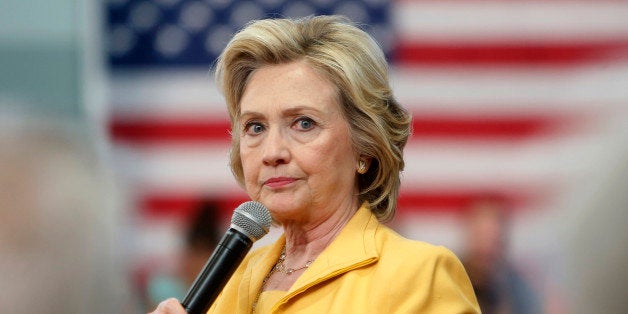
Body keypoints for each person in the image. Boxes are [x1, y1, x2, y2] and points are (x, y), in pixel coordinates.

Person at [150, 15, 479, 313]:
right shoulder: (231, 281)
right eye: (255, 127)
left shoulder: (420, 275)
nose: (272, 151)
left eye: (303, 123)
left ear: (365, 146)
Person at [461, 197, 541, 314]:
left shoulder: (518, 287)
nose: (486, 247)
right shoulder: (453, 276)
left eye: (492, 236)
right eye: (482, 235)